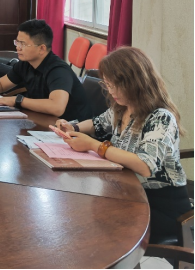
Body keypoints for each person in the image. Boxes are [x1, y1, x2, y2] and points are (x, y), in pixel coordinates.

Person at [55, 47, 191, 243]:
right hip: (127, 192)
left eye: (116, 85)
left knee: (95, 226)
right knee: (79, 210)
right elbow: (97, 124)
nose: (111, 92)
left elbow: (145, 165)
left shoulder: (160, 117)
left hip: (161, 205)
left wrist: (95, 146)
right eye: (108, 84)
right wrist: (73, 127)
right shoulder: (121, 107)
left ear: (135, 82)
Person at [0, 19, 91, 121]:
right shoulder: (26, 63)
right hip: (43, 121)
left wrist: (17, 100)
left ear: (42, 48)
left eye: (23, 44)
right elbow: (1, 84)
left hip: (73, 129)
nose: (18, 48)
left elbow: (57, 107)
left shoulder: (58, 70)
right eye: (17, 42)